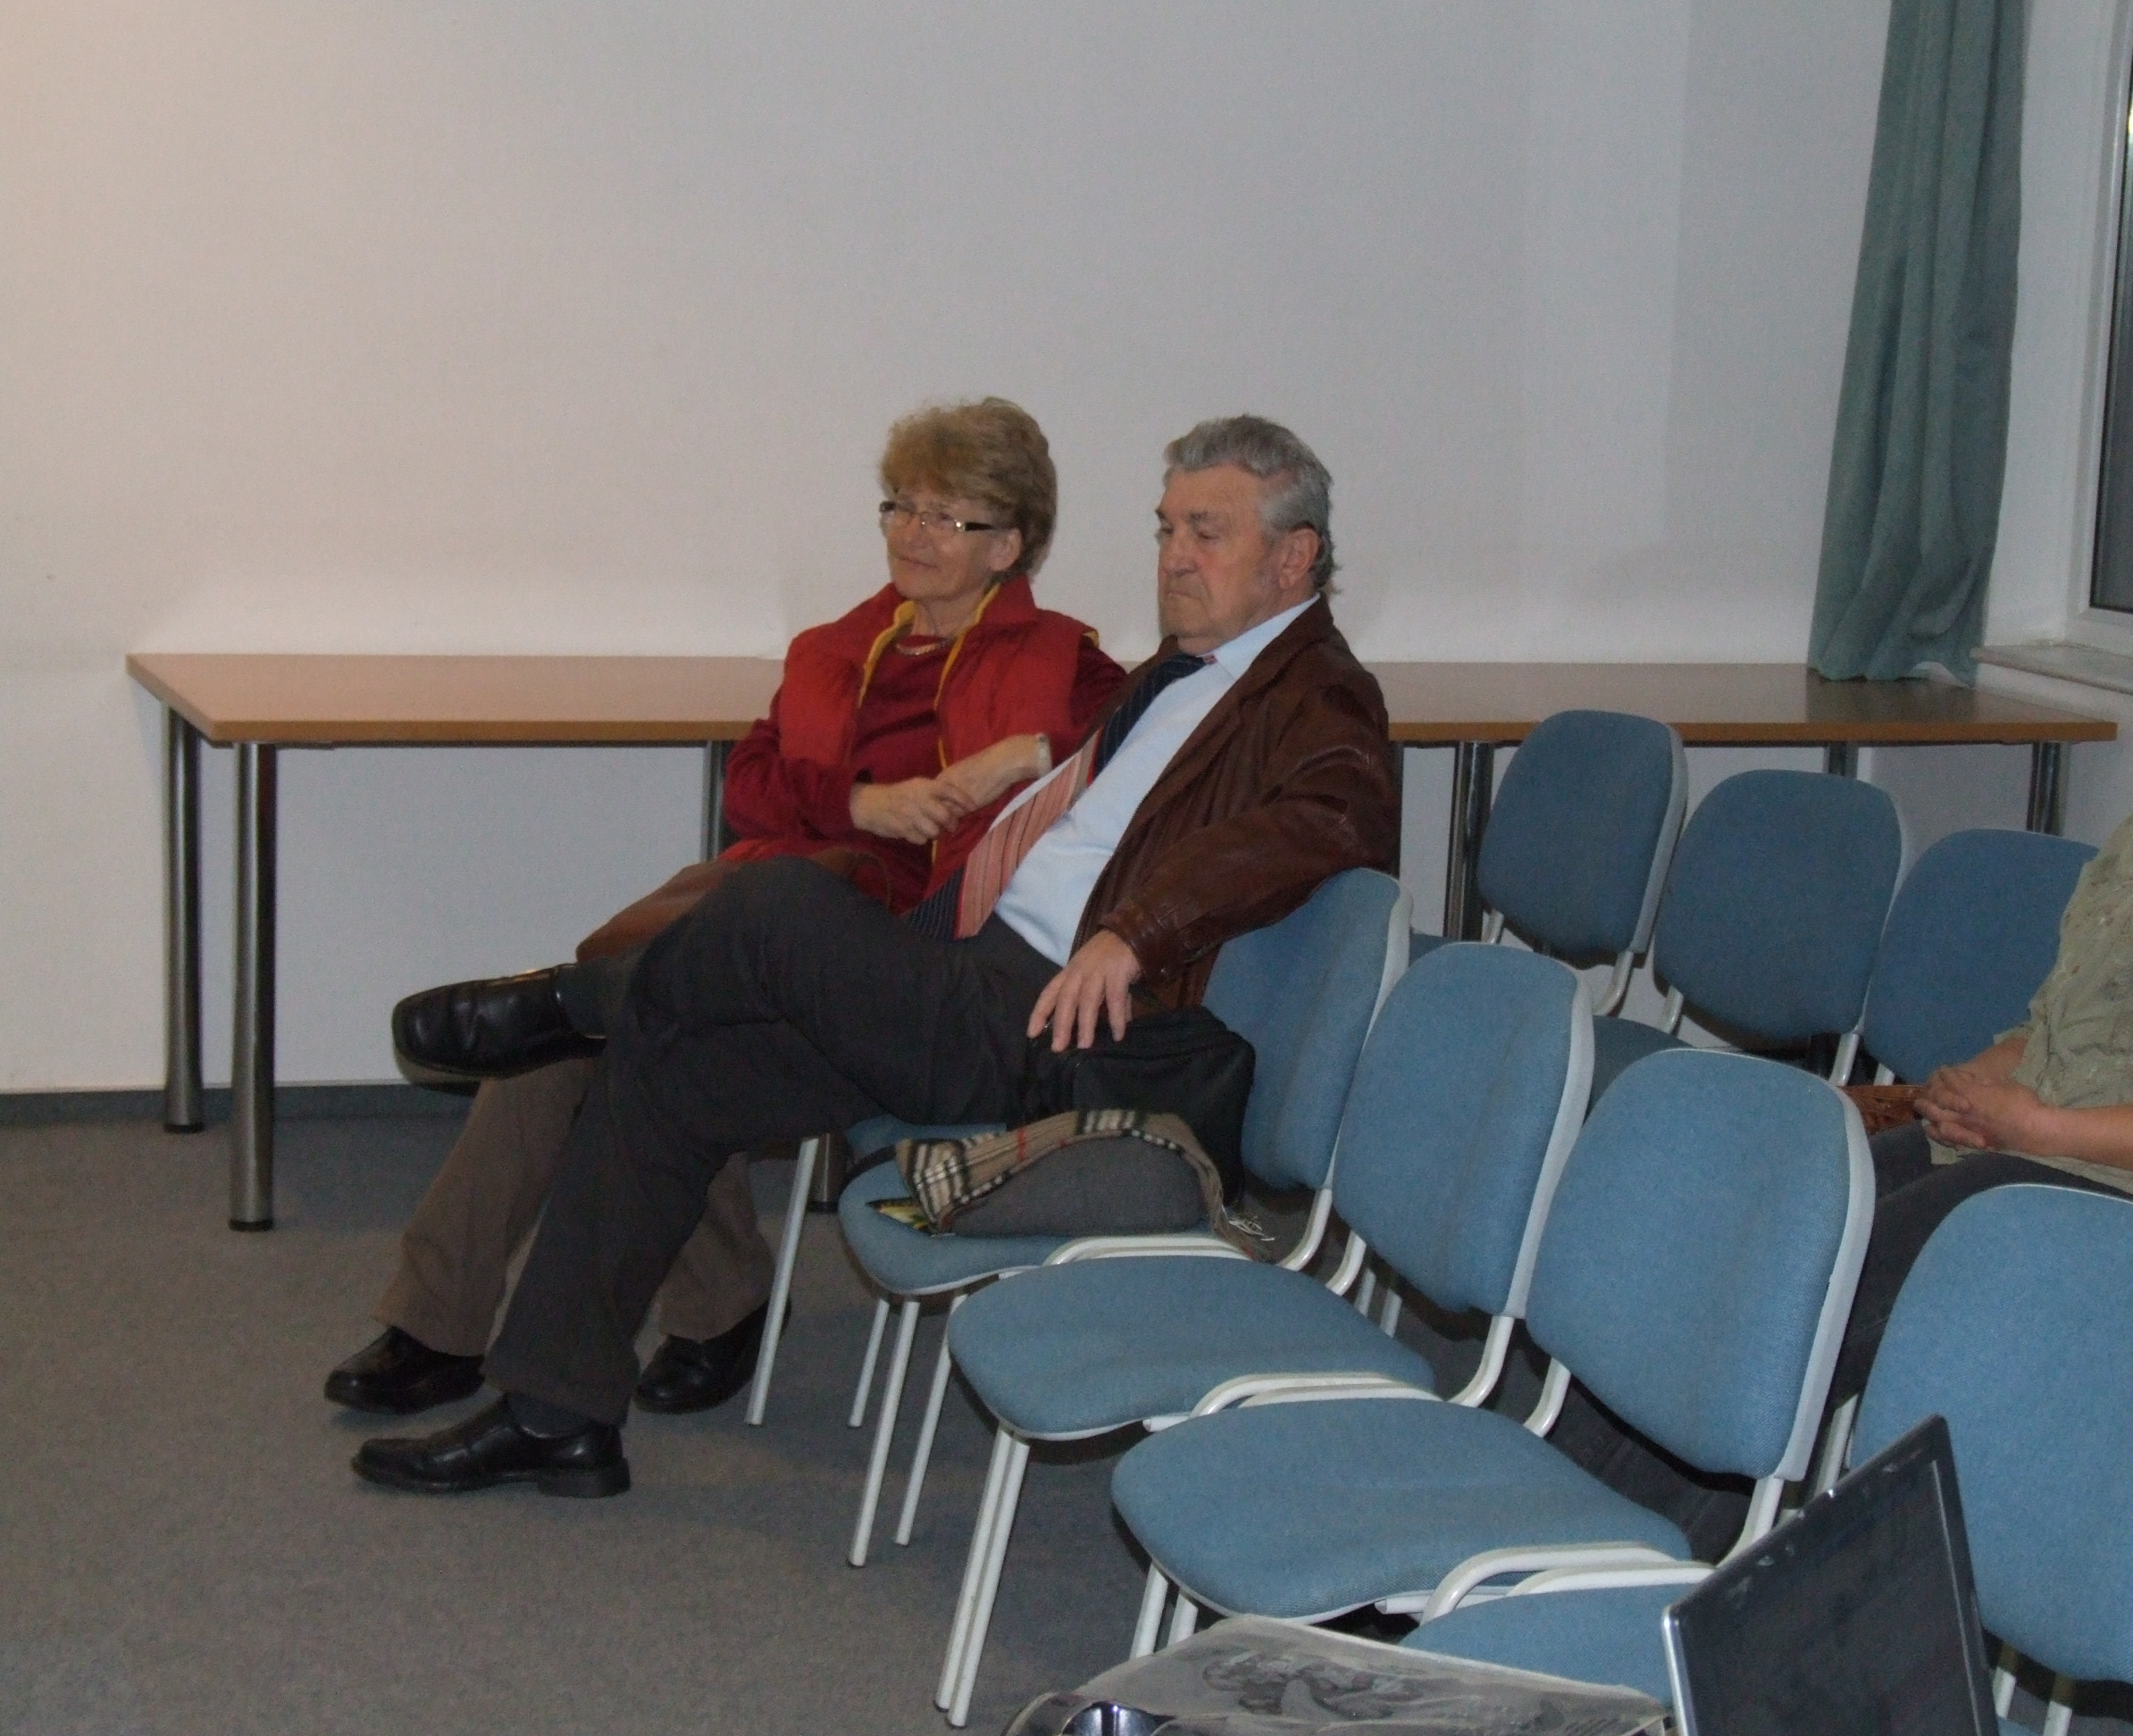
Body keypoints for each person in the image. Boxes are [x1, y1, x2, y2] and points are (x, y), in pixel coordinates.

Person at [349, 413, 1399, 1497]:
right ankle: (554, 1412)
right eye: (1167, 528)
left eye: (1206, 532)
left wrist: (1141, 930)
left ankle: (568, 1004)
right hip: (974, 976)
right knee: (668, 1067)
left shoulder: (1317, 692)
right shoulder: (1181, 673)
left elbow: (1328, 821)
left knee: (779, 901)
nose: (1174, 556)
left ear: (1294, 556)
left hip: (1059, 1034)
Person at [325, 398, 1124, 1422]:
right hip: (774, 905)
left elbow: (1144, 738)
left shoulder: (1058, 658)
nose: (912, 534)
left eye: (946, 516)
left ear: (1007, 545)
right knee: (569, 1041)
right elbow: (750, 784)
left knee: (616, 1027)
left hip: (904, 950)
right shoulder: (839, 645)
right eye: (901, 507)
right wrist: (859, 804)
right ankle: (443, 1320)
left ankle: (713, 1306)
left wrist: (1024, 755)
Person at [1828, 504, 2133, 1399]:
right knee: (1797, 1210)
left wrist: (2037, 1129)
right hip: (2032, 1153)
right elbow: (2057, 1022)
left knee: (1810, 1314)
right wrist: (1972, 1087)